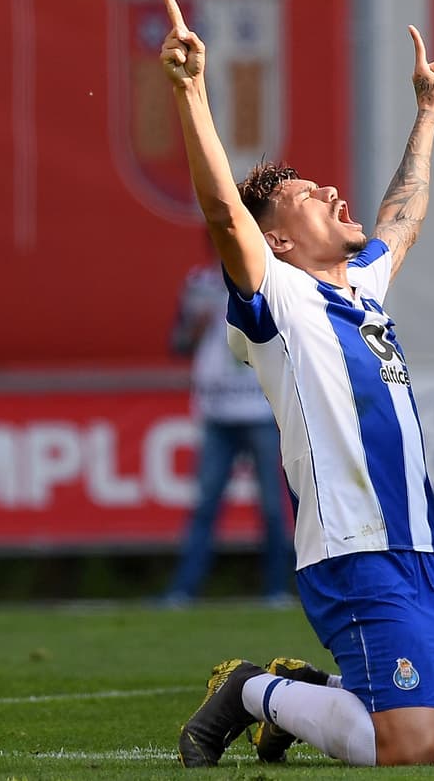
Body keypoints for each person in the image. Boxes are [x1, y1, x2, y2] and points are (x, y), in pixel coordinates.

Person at [157, 0, 434, 767]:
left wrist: (429, 114)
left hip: (431, 561)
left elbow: (404, 214)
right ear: (277, 240)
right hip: (355, 555)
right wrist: (192, 89)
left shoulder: (360, 283)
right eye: (309, 196)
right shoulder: (276, 294)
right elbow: (222, 212)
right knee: (412, 749)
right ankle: (251, 690)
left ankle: (324, 689)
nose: (334, 193)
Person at [164, 244, 291, 605]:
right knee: (205, 505)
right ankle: (184, 591)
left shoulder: (270, 281)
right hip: (217, 410)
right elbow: (178, 342)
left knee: (271, 507)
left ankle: (277, 590)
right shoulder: (200, 283)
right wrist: (195, 328)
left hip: (259, 409)